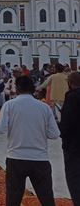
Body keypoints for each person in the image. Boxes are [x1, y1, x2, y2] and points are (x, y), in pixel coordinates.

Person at [0, 76, 60, 206]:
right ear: (33, 89)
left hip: (16, 157)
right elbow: (54, 134)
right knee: (46, 197)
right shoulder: (44, 107)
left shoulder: (9, 105)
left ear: (17, 88)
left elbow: (1, 129)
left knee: (13, 198)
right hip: (40, 158)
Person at [59, 72, 80, 204]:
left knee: (75, 178)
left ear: (70, 83)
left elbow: (67, 123)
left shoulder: (72, 97)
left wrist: (62, 134)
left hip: (74, 145)